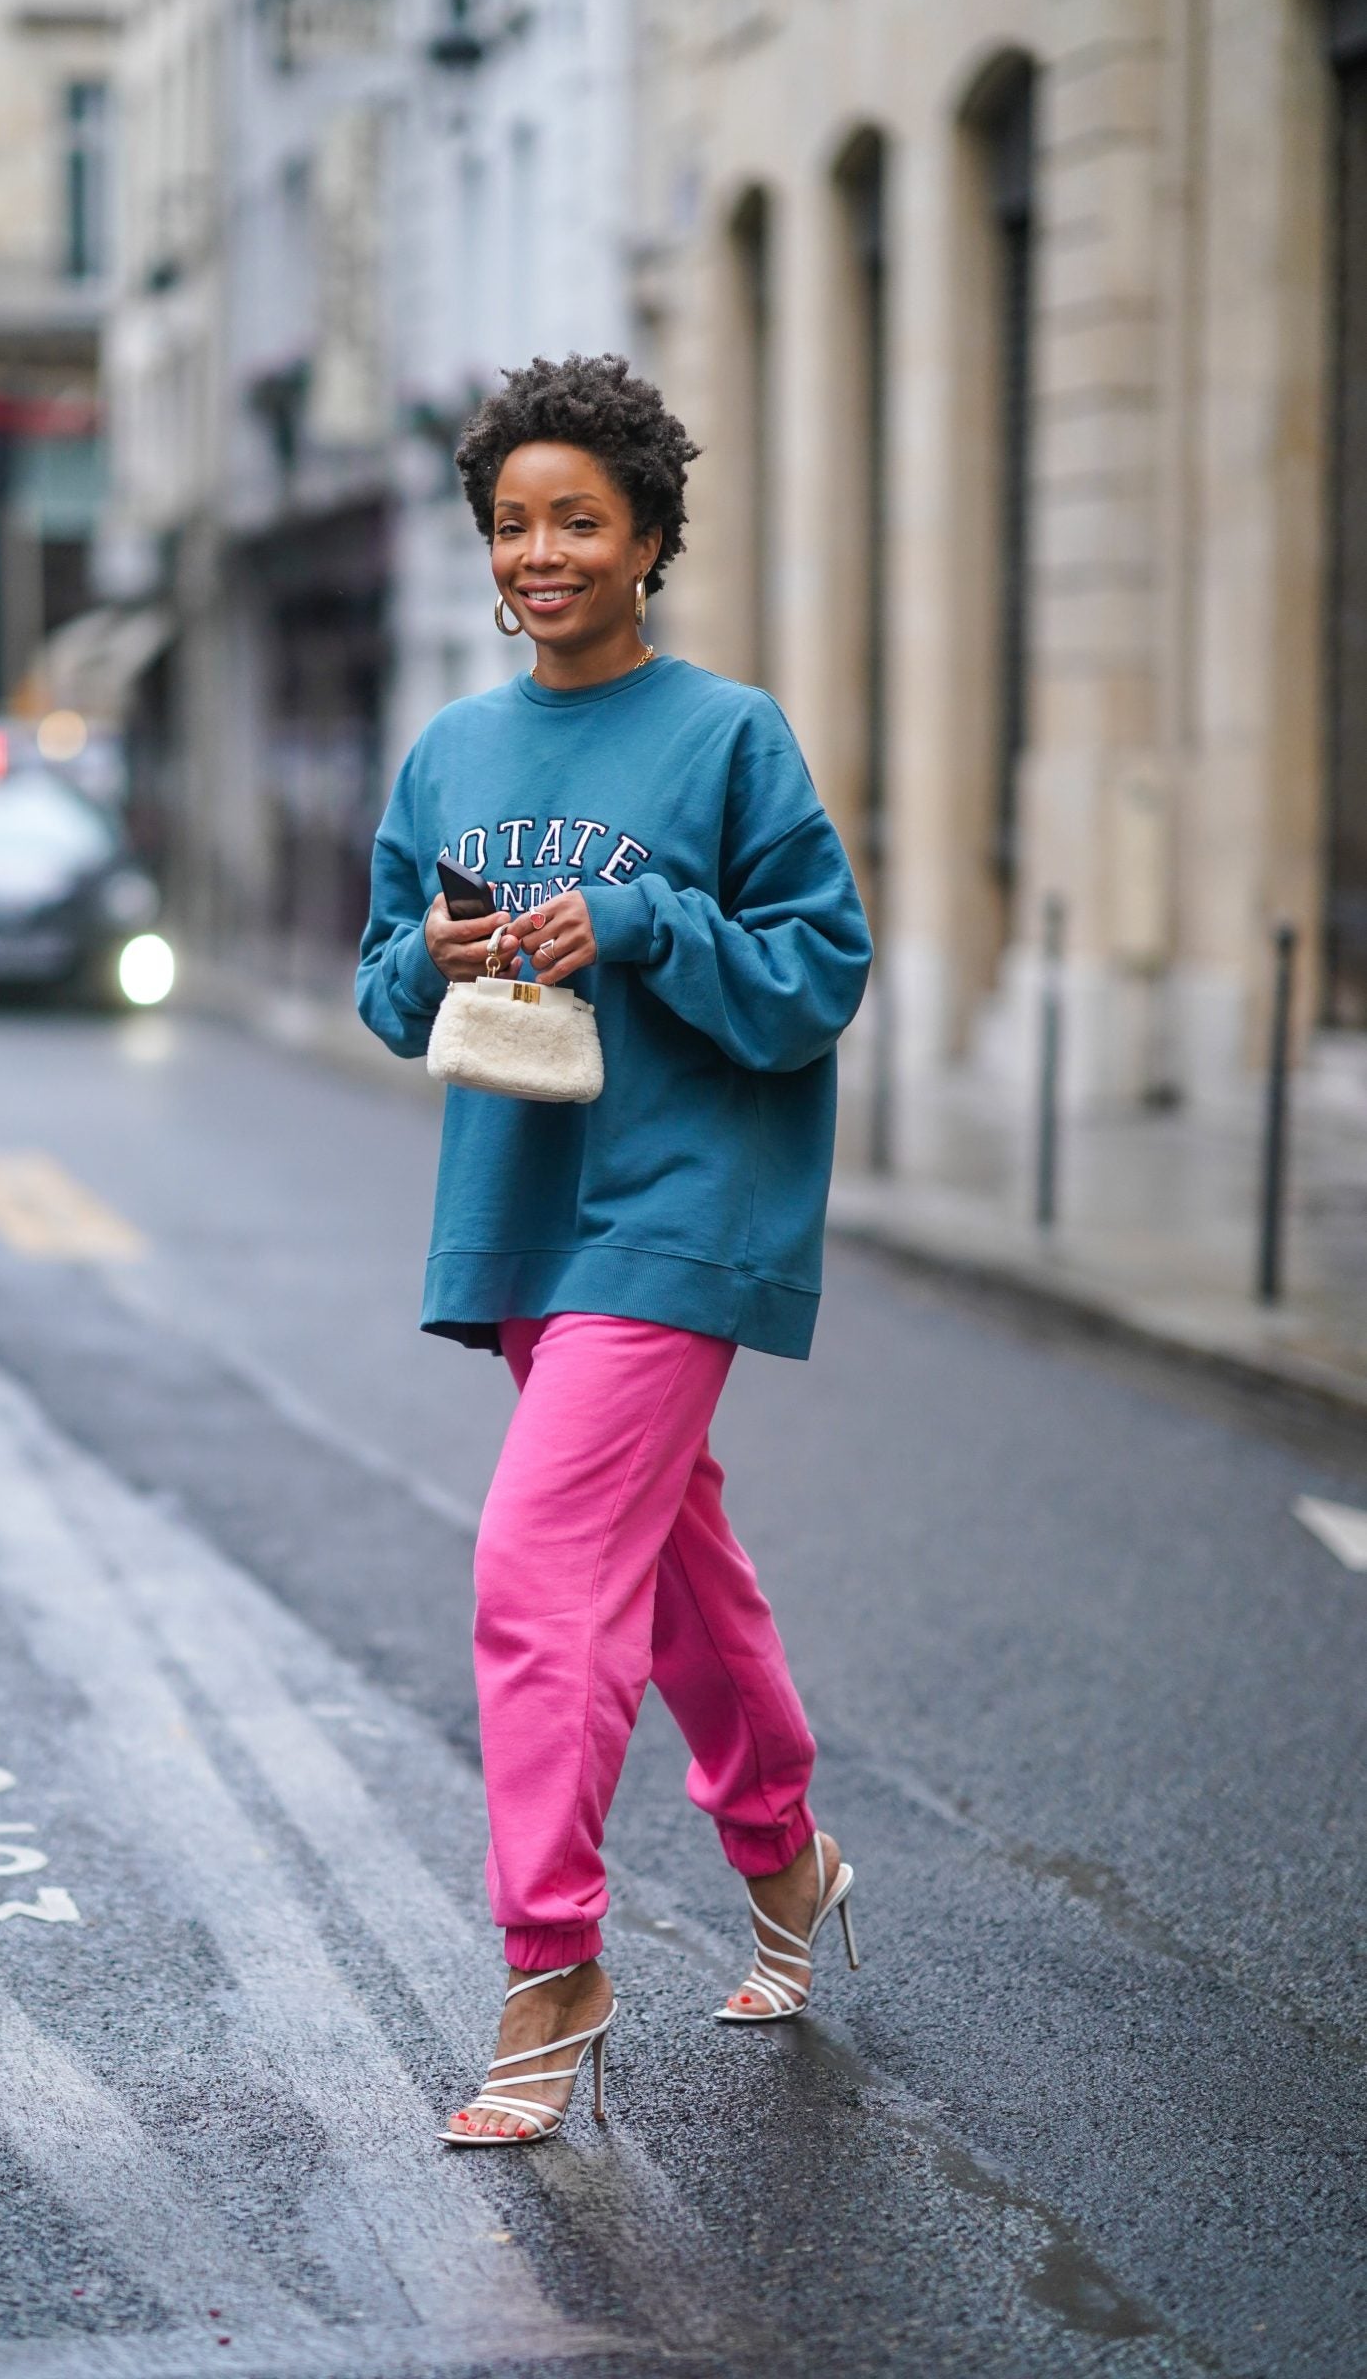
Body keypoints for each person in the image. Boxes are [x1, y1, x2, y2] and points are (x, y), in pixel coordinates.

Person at [356, 353, 873, 2147]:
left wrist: (640, 921)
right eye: (511, 524)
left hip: (683, 1210)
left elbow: (818, 973)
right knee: (672, 1577)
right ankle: (785, 1859)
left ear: (649, 535)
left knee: (536, 1567)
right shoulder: (449, 751)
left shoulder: (727, 736)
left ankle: (550, 1960)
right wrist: (438, 952)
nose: (540, 553)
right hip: (523, 1213)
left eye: (578, 519)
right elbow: (376, 980)